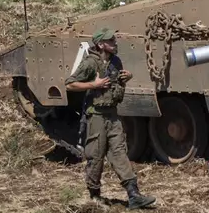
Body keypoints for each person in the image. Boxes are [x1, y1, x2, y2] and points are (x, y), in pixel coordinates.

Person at [65, 27, 156, 210]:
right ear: (100, 44)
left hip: (112, 115)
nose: (115, 43)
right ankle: (94, 196)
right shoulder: (90, 63)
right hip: (96, 116)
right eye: (111, 41)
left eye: (114, 40)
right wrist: (94, 84)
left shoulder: (115, 62)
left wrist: (126, 78)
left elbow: (116, 85)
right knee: (96, 156)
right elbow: (69, 84)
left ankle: (133, 195)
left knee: (120, 153)